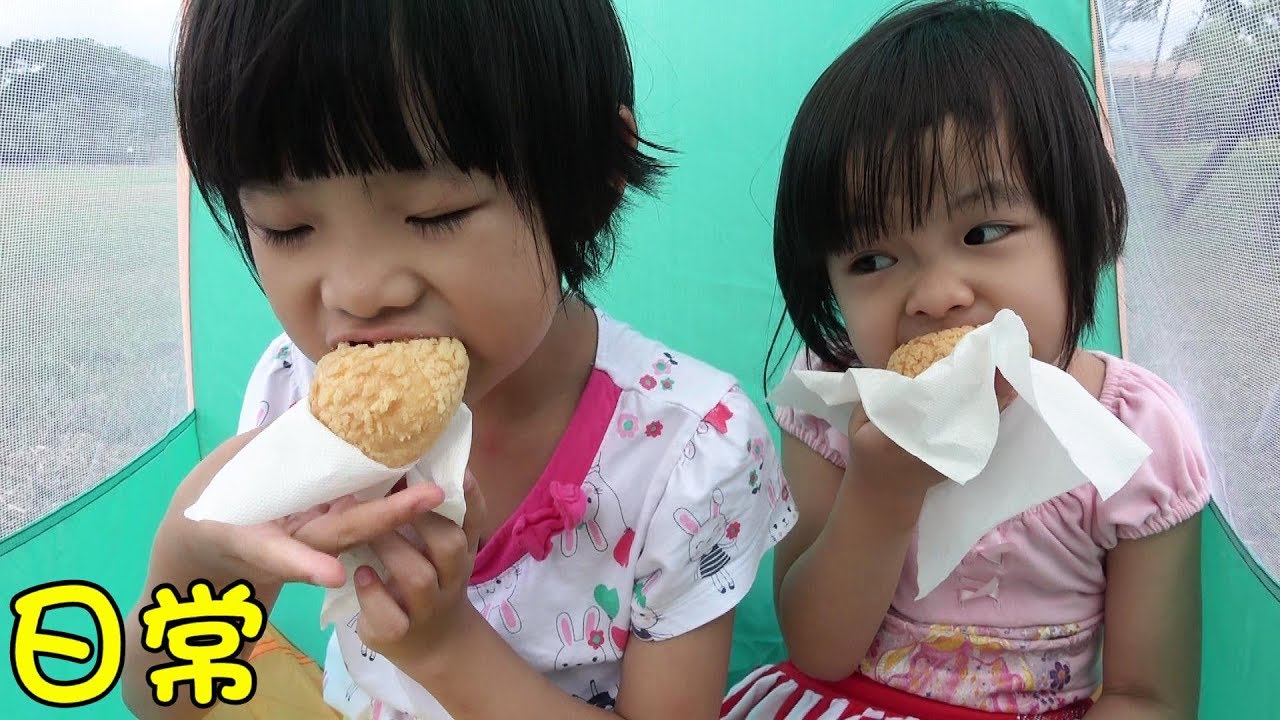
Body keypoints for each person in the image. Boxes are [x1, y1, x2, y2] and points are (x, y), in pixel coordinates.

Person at [120, 1, 796, 718]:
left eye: (433, 215)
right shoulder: (297, 396)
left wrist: (445, 650)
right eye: (288, 227)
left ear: (594, 181)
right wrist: (192, 551)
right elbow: (167, 698)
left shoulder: (689, 453)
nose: (358, 292)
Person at [722, 2, 1209, 718]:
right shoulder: (837, 396)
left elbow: (1149, 695)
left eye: (983, 231)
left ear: (1087, 226)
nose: (937, 296)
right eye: (875, 258)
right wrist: (881, 494)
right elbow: (815, 648)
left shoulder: (1135, 439)